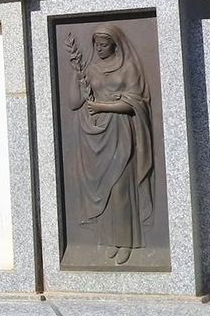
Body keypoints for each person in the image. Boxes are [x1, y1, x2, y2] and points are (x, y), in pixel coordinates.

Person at [64, 23, 157, 263]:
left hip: (120, 132)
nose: (99, 48)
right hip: (95, 136)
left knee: (120, 189)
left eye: (104, 44)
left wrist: (102, 106)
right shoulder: (92, 70)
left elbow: (135, 103)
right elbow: (75, 103)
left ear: (115, 44)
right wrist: (76, 74)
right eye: (96, 44)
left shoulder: (128, 68)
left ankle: (126, 242)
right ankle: (108, 239)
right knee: (102, 188)